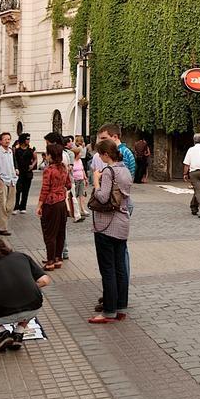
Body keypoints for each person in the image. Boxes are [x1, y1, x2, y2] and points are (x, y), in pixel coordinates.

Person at [88, 138, 133, 323]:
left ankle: (108, 310)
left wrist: (96, 182)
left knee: (108, 269)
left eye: (100, 154)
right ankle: (121, 307)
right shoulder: (125, 170)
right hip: (123, 223)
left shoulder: (109, 172)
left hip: (107, 225)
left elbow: (104, 197)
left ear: (106, 154)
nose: (99, 157)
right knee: (120, 268)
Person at [37, 144, 71, 270]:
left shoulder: (49, 170)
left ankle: (50, 261)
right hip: (62, 203)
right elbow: (68, 185)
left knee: (49, 233)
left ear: (51, 155)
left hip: (51, 203)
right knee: (60, 232)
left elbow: (45, 189)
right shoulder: (63, 168)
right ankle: (58, 259)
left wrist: (39, 205)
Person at [0, 132, 18, 236]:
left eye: (9, 139)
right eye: (5, 139)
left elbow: (13, 163)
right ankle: (3, 228)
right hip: (1, 180)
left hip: (12, 180)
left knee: (10, 206)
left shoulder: (11, 151)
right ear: (0, 141)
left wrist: (16, 171)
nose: (7, 141)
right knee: (2, 205)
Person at [13, 133, 36, 214]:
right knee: (18, 190)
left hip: (28, 172)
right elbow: (14, 159)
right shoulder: (16, 149)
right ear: (23, 140)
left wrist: (32, 165)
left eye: (29, 139)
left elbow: (35, 158)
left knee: (26, 190)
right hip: (19, 172)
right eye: (27, 139)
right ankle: (16, 206)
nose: (28, 141)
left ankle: (23, 207)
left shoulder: (31, 149)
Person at [72, 136, 88, 221]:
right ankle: (75, 210)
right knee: (75, 195)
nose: (81, 155)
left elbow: (82, 169)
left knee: (82, 195)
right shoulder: (72, 161)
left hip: (81, 179)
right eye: (79, 153)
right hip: (75, 180)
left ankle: (83, 209)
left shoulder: (80, 161)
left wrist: (85, 178)